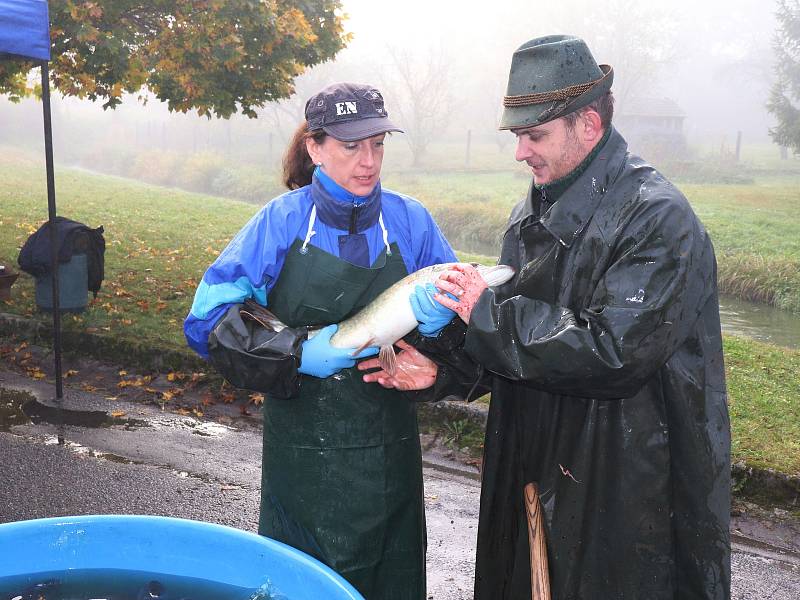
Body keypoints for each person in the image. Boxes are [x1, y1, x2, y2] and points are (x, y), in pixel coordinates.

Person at [361, 35, 731, 599]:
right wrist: (447, 374)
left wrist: (486, 316)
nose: (520, 153)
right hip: (530, 464)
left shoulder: (658, 219)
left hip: (627, 484)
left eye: (534, 135)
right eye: (517, 136)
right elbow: (519, 349)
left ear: (587, 123)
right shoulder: (530, 212)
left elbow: (616, 353)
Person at [184, 82, 458, 599]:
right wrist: (295, 352)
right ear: (315, 147)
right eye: (351, 146)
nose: (369, 161)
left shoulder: (411, 222)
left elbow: (464, 329)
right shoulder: (281, 223)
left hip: (391, 461)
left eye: (378, 144)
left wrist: (439, 331)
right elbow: (207, 320)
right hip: (303, 462)